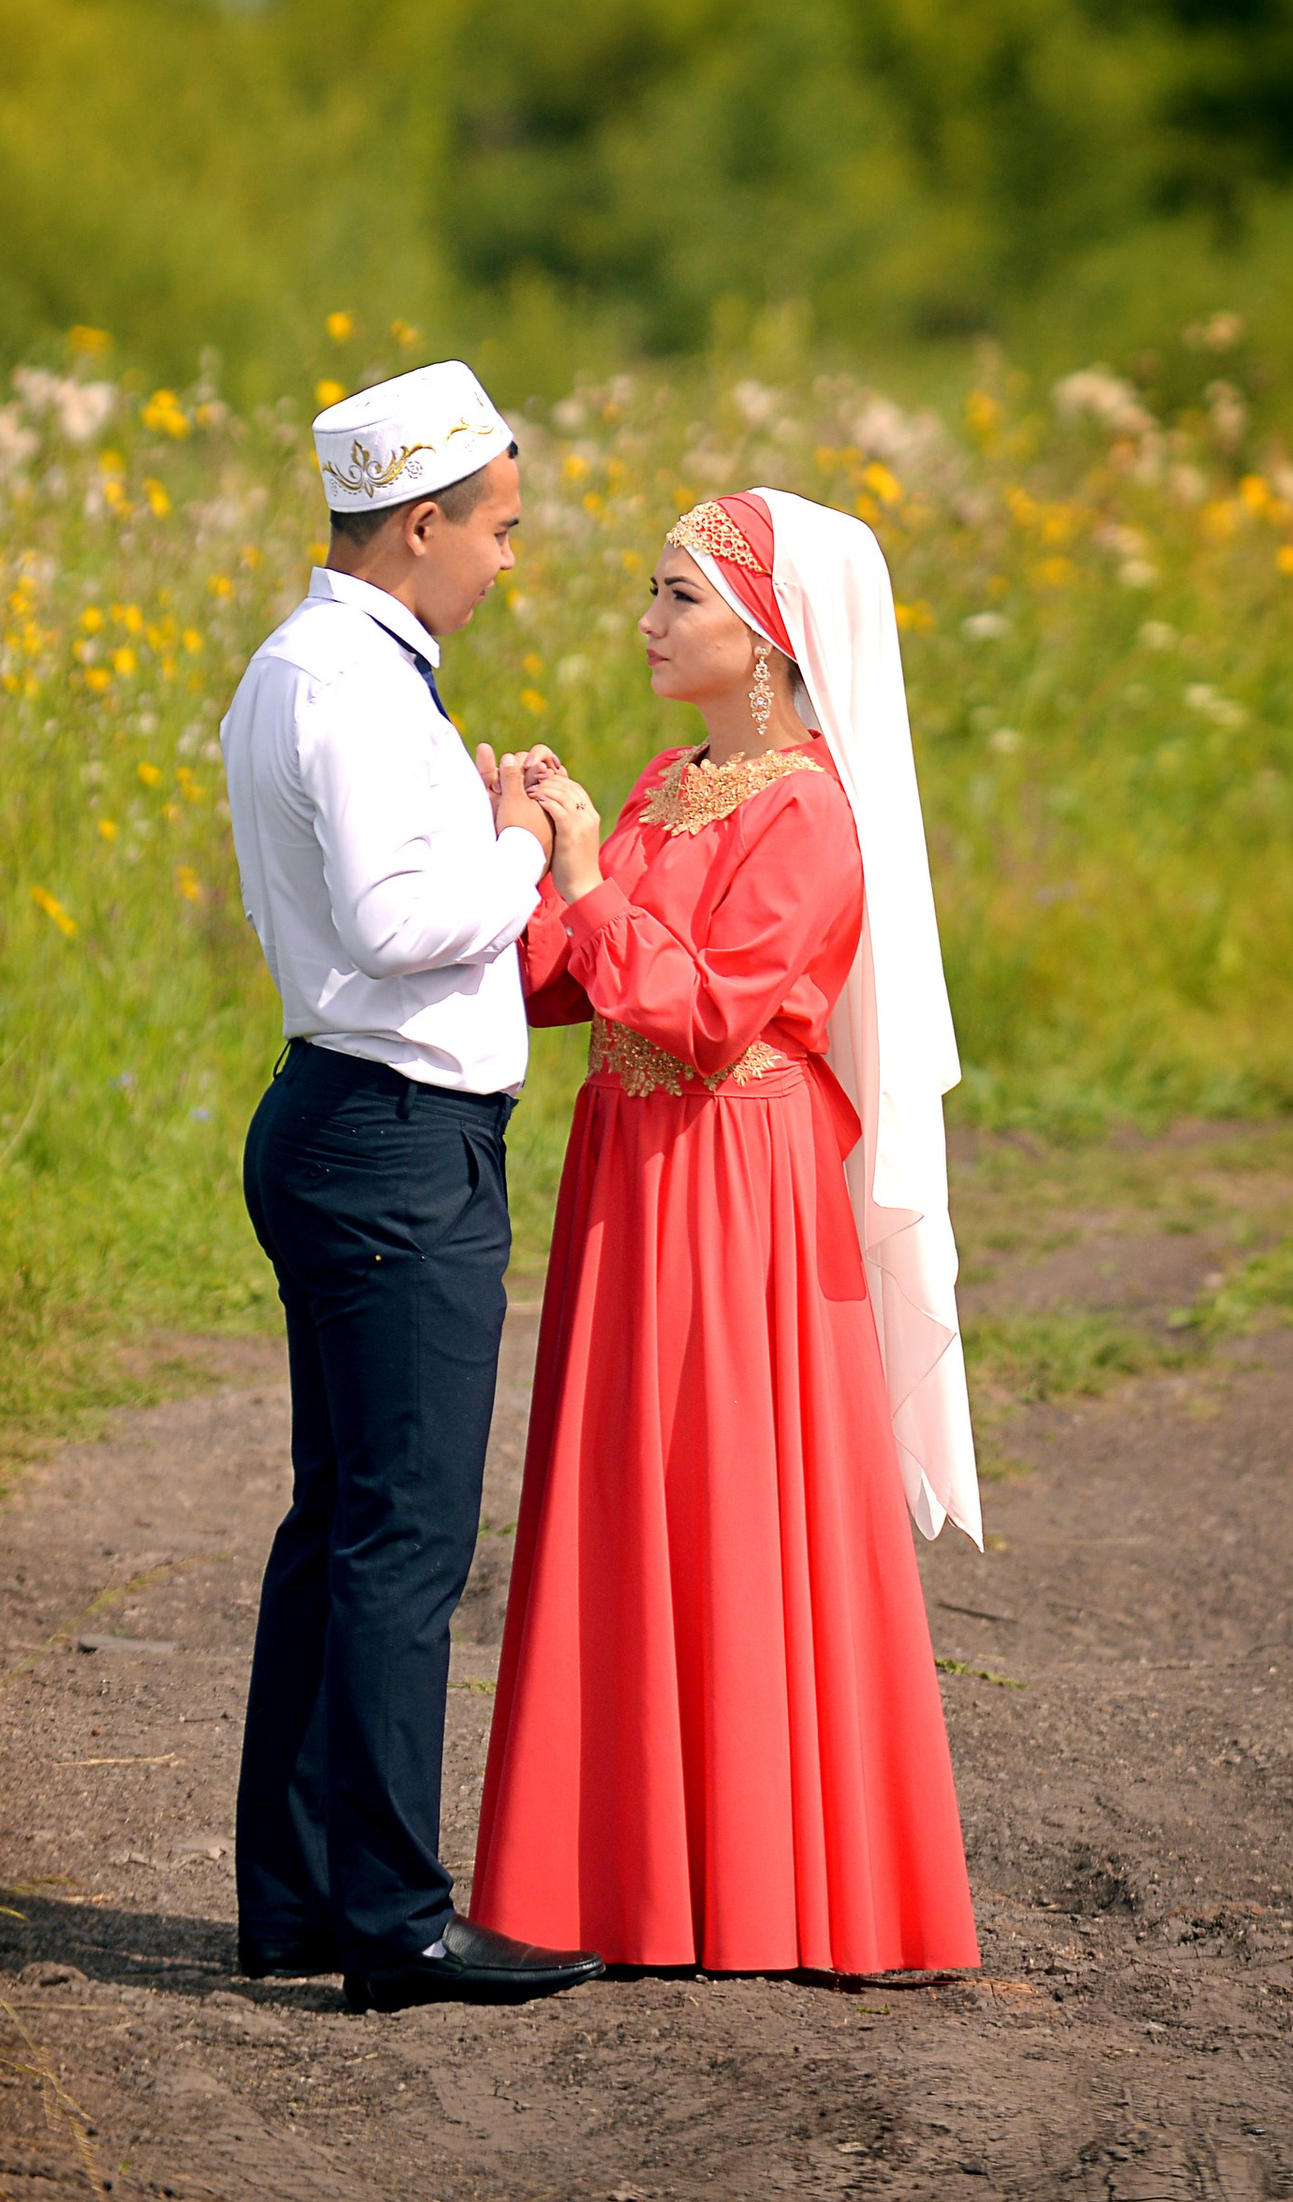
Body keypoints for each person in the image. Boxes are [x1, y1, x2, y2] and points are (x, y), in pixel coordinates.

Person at [470, 487, 979, 1977]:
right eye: (655, 591)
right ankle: (620, 1883)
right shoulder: (658, 783)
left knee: (732, 1493)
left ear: (765, 639)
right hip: (630, 1166)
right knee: (627, 1490)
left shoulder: (815, 810)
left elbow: (702, 1018)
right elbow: (576, 991)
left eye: (678, 598)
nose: (648, 620)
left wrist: (580, 884)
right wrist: (532, 849)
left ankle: (765, 1885)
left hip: (738, 1176)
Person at [219, 360, 603, 2013]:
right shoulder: (360, 687)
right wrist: (520, 843)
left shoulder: (309, 664)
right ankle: (392, 1917)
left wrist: (481, 826)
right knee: (403, 1538)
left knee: (341, 1523)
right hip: (393, 1136)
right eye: (500, 530)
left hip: (344, 1117)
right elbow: (391, 923)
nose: (511, 560)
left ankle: (302, 1897)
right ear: (422, 523)